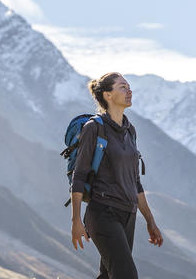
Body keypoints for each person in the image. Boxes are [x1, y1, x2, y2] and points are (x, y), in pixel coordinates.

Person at [70, 72, 164, 279]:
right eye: (123, 87)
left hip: (128, 213)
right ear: (108, 95)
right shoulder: (93, 128)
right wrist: (76, 220)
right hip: (103, 213)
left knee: (109, 275)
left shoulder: (130, 131)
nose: (129, 90)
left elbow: (136, 182)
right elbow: (80, 175)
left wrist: (150, 221)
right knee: (126, 275)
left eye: (129, 86)